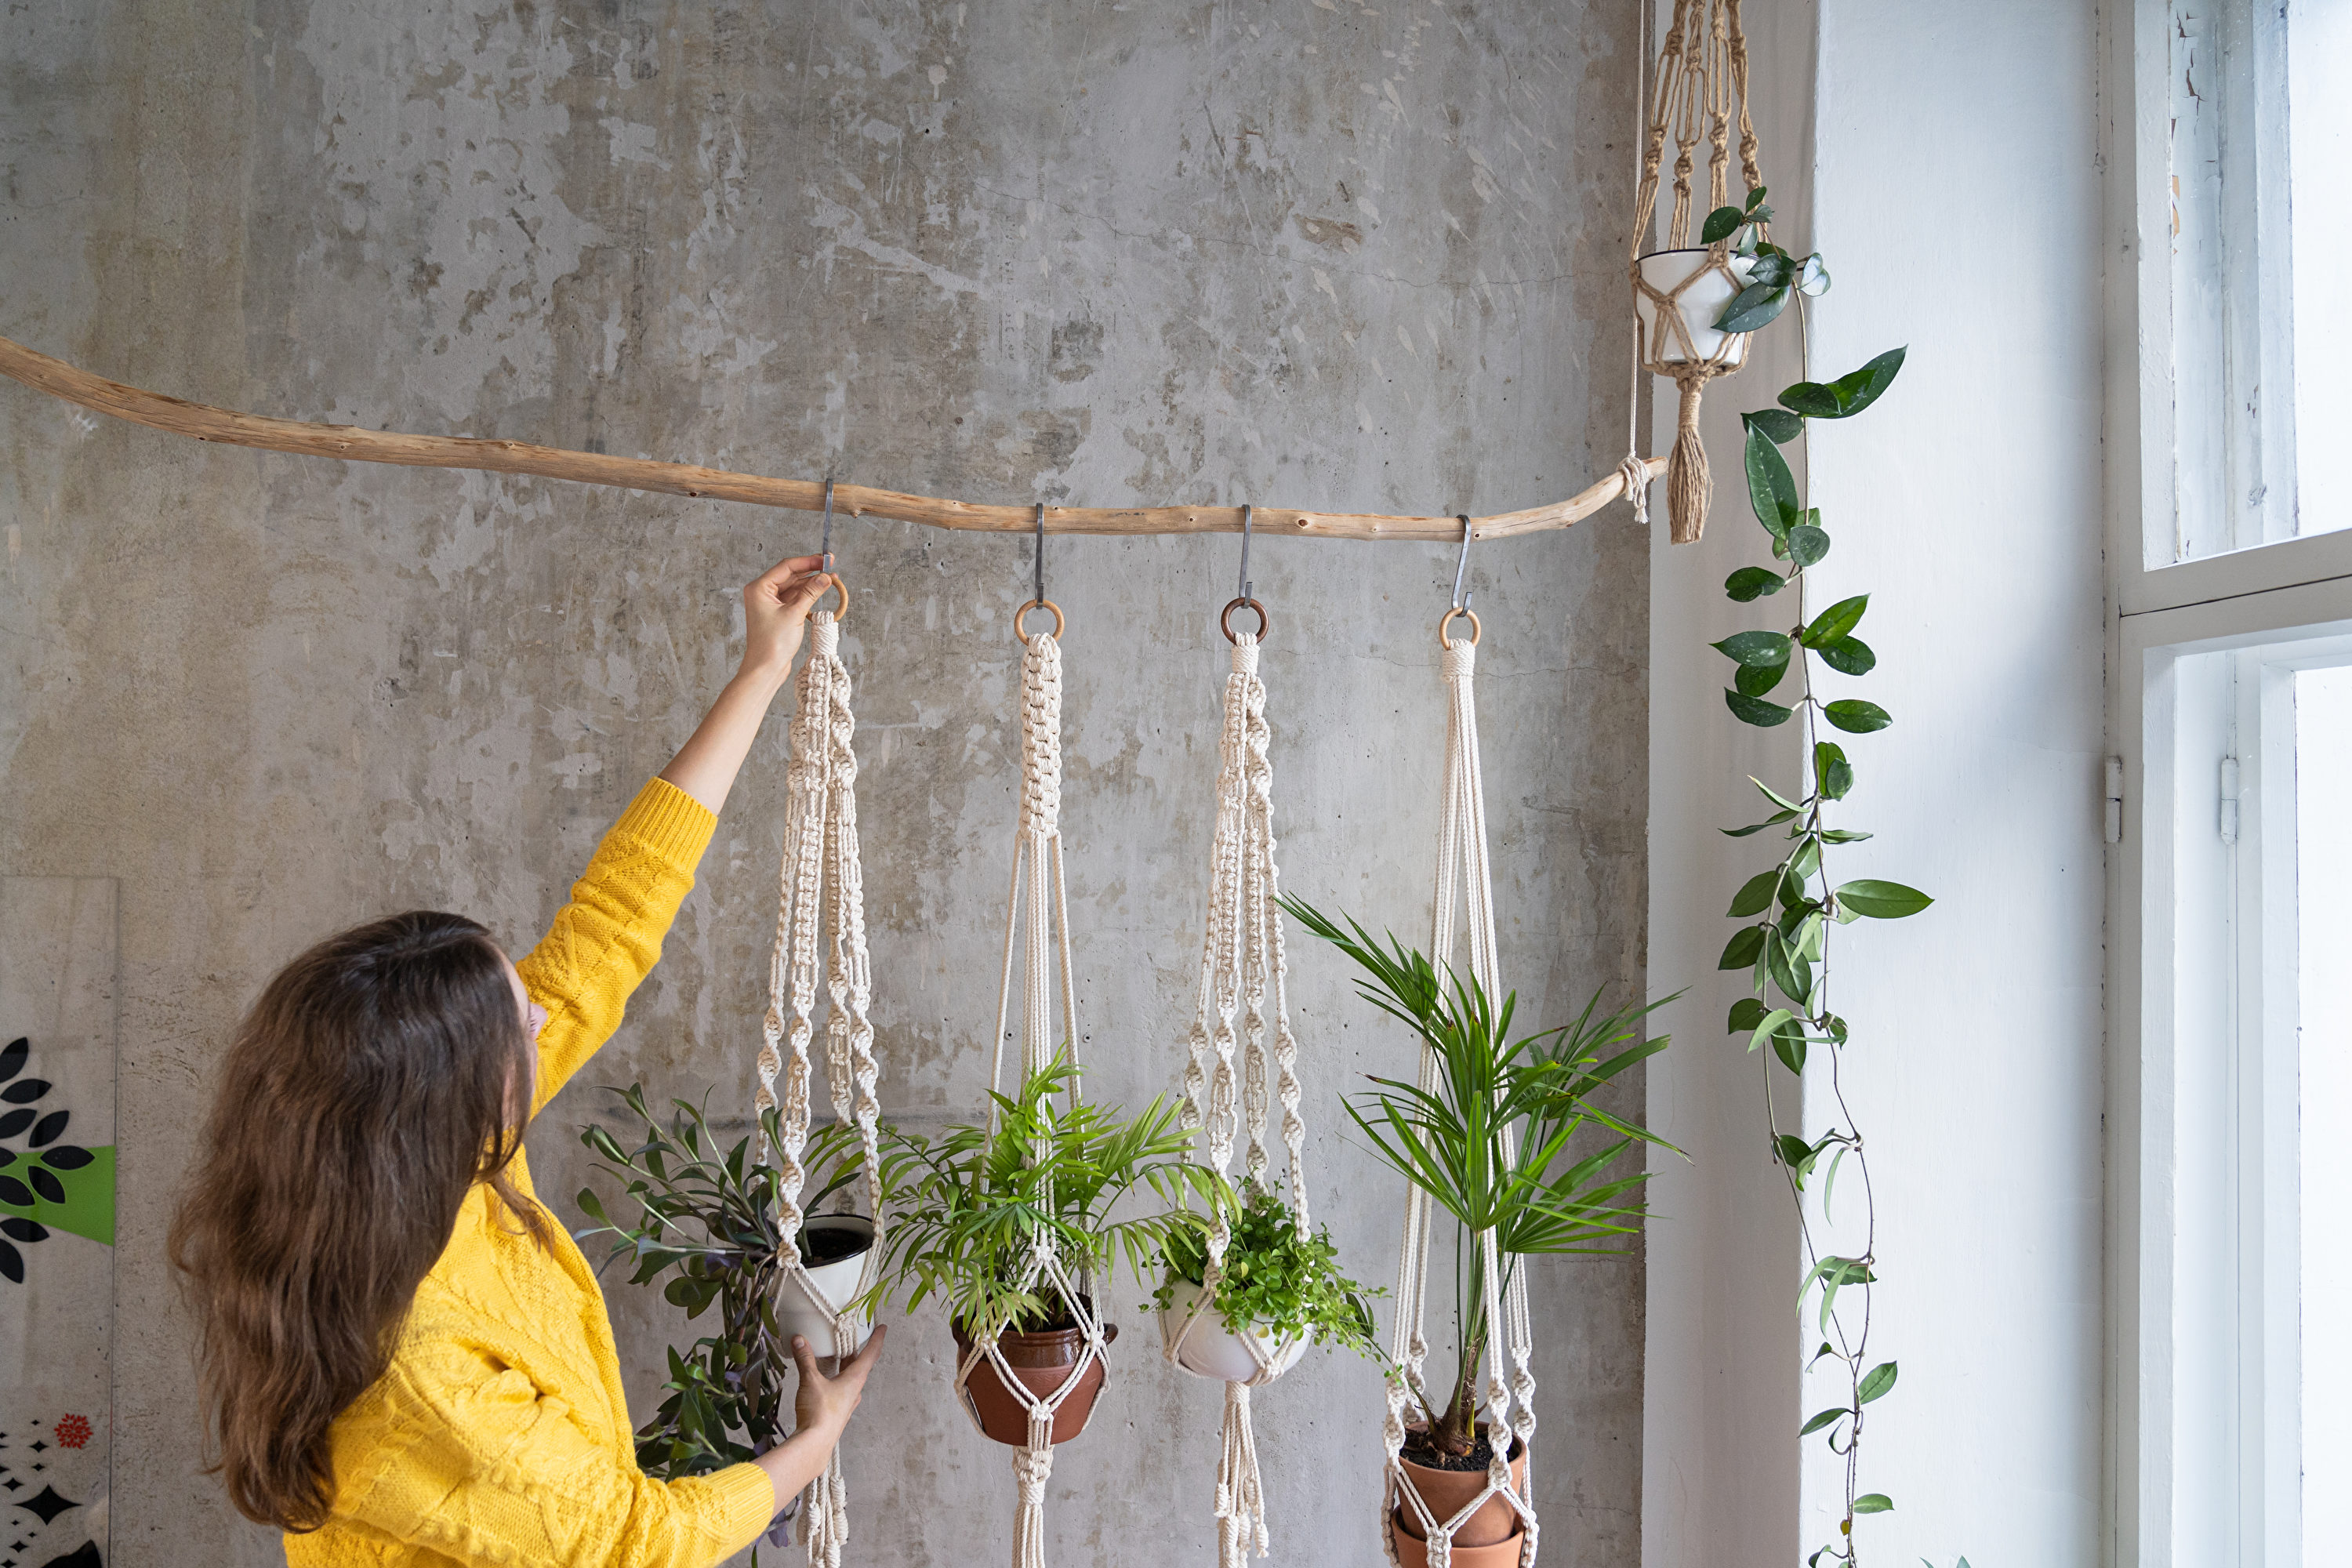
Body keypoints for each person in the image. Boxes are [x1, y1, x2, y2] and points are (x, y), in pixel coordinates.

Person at [169, 554, 884, 1566]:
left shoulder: (415, 1169)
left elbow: (610, 926)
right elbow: (634, 1539)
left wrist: (761, 669)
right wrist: (817, 1444)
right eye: (520, 1027)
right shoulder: (413, 1369)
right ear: (450, 1095)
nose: (545, 1027)